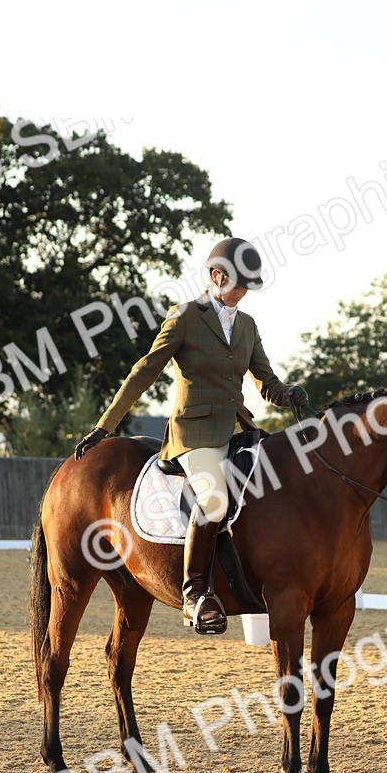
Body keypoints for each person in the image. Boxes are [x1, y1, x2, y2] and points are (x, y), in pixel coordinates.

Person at [74, 236, 309, 634]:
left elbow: (266, 382)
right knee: (214, 499)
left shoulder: (247, 326)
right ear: (216, 276)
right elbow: (145, 371)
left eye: (248, 286)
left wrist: (291, 395)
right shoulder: (185, 317)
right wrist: (105, 425)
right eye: (238, 284)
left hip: (239, 428)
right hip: (194, 433)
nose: (243, 293)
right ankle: (195, 593)